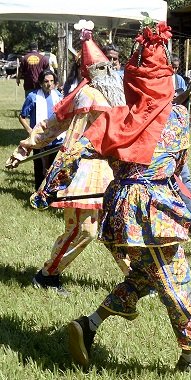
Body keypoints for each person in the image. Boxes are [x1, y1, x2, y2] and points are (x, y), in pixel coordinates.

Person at [30, 19, 191, 376]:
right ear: (167, 81)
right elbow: (178, 165)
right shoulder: (180, 118)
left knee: (146, 275)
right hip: (155, 210)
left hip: (120, 209)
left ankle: (89, 324)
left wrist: (48, 189)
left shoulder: (111, 118)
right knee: (176, 279)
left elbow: (71, 151)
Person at [7, 20, 124, 294]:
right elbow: (52, 126)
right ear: (91, 72)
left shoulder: (115, 95)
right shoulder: (85, 94)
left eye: (109, 67)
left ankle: (137, 277)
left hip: (106, 170)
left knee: (110, 226)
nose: (109, 72)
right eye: (103, 68)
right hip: (80, 170)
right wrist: (24, 147)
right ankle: (47, 274)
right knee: (83, 231)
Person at [17, 69, 63, 190]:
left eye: (52, 81)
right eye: (46, 81)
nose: (49, 84)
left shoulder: (58, 95)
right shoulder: (33, 97)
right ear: (41, 82)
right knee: (39, 168)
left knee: (55, 169)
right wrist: (30, 131)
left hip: (56, 139)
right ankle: (38, 192)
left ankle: (52, 195)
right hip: (39, 138)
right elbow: (22, 117)